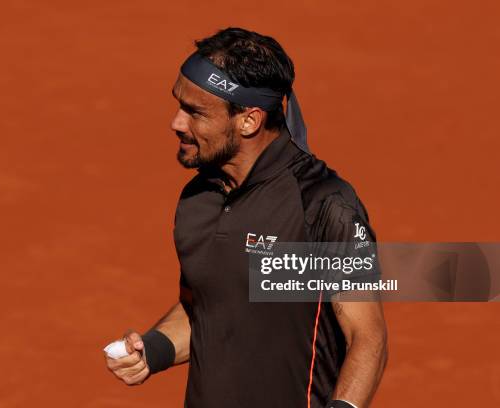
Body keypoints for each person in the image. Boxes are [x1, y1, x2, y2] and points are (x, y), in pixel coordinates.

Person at [105, 27, 388, 408]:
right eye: (178, 105)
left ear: (248, 120)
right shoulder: (198, 199)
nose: (176, 123)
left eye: (195, 112)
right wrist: (151, 350)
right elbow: (207, 308)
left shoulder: (322, 204)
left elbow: (367, 338)